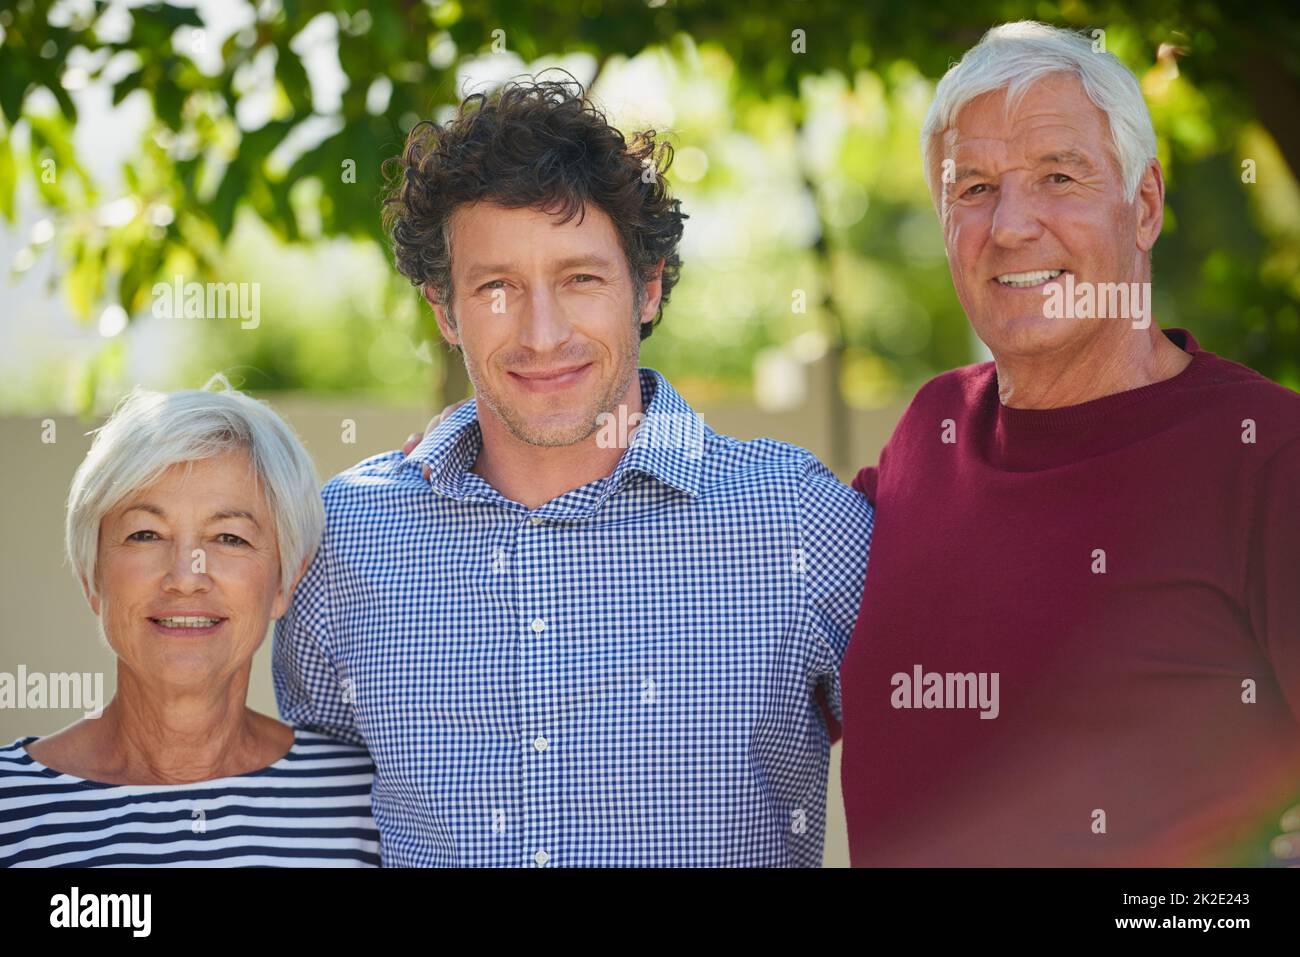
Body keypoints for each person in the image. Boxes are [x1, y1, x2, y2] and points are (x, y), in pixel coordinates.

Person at [272, 78, 873, 866]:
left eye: (580, 278)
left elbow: (950, 769)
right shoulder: (343, 539)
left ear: (648, 286)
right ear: (444, 310)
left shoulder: (800, 521)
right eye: (497, 288)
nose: (542, 332)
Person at [840, 21, 1300, 866]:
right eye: (972, 187)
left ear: (1146, 204)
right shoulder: (930, 431)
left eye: (1059, 175)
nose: (1012, 225)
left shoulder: (1270, 456)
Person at [0, 384, 380, 867]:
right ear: (91, 575)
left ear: (285, 581)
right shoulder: (11, 807)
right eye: (146, 534)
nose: (185, 577)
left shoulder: (367, 804)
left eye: (229, 537)